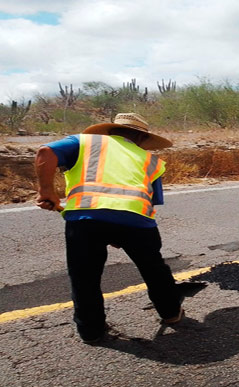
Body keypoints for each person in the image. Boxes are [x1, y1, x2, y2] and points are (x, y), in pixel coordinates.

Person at [34, 112, 183, 344]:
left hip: (85, 219)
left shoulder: (84, 142)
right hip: (136, 221)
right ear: (142, 138)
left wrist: (47, 192)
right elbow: (150, 200)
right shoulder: (151, 160)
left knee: (85, 277)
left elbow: (46, 152)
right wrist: (119, 231)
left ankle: (91, 331)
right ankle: (171, 313)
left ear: (110, 130)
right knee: (154, 269)